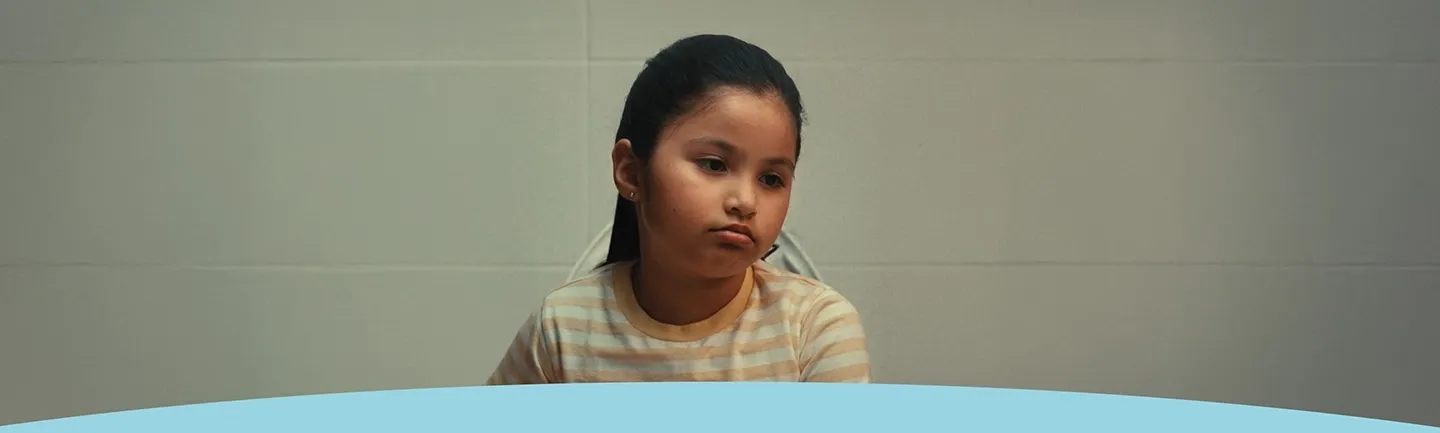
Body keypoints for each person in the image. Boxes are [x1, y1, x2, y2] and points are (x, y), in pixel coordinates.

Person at [486, 34, 871, 384]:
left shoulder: (815, 328)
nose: (745, 201)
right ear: (631, 171)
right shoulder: (561, 330)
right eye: (714, 164)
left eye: (771, 179)